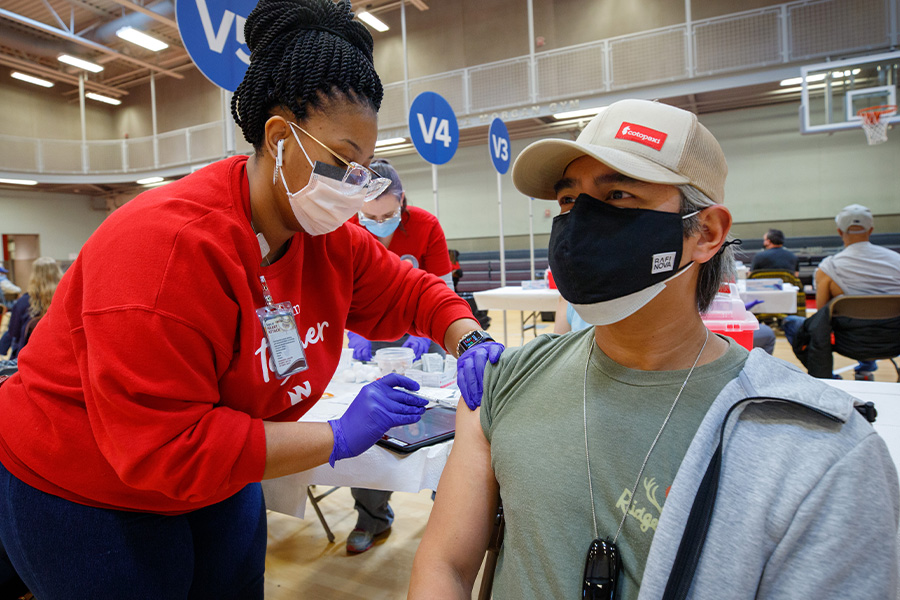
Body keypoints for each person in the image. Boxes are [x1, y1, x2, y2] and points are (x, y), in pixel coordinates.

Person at [0, 2, 501, 598]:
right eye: (342, 161)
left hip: (220, 472)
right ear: (278, 137)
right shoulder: (168, 249)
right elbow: (164, 448)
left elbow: (412, 289)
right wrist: (339, 435)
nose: (354, 186)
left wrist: (467, 336)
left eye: (365, 169)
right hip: (86, 483)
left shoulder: (327, 239)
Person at [409, 99, 898, 599]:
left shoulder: (822, 452)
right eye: (569, 200)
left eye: (618, 194)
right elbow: (445, 565)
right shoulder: (507, 380)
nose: (580, 224)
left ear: (705, 232)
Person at [344, 158, 454, 554]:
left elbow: (441, 289)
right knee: (370, 417)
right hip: (371, 334)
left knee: (439, 414)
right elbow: (340, 292)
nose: (378, 222)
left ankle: (448, 512)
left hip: (423, 334)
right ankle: (371, 516)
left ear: (402, 201)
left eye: (388, 214)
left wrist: (423, 333)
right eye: (369, 216)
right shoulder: (346, 229)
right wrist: (353, 331)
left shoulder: (425, 225)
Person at [782, 203, 900, 380]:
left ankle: (831, 378)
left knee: (791, 322)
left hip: (849, 343)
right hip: (894, 342)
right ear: (871, 230)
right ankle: (865, 370)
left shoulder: (829, 268)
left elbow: (821, 315)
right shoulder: (897, 261)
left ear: (839, 231)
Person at [0, 257, 63, 361]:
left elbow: (14, 332)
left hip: (29, 358)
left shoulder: (23, 302)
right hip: (60, 355)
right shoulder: (65, 299)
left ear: (33, 277)